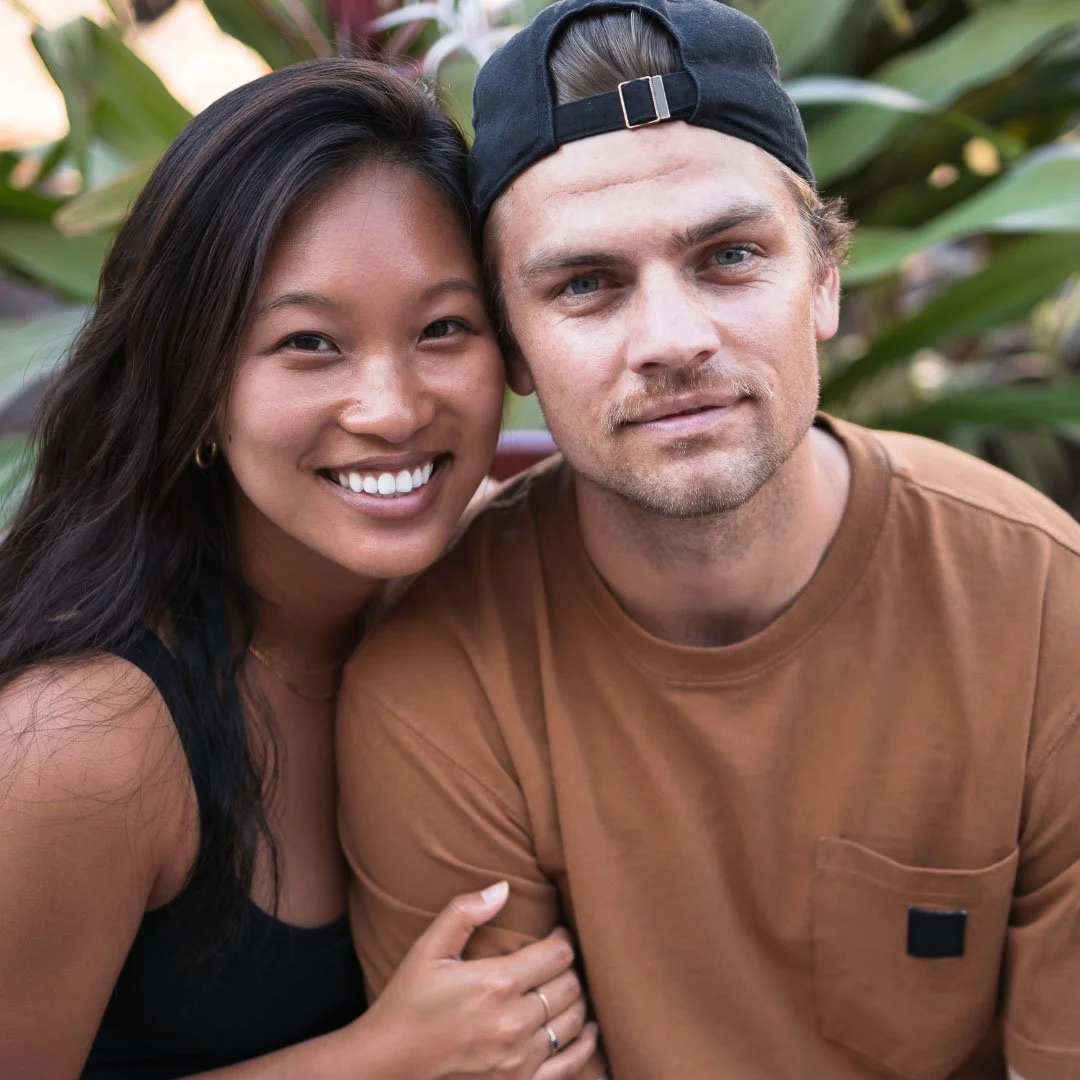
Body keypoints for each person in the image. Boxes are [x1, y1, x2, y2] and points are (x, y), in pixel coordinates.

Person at [336, 2, 1080, 1078]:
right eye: (586, 285)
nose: (674, 341)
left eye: (729, 256)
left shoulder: (1040, 602)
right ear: (516, 349)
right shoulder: (440, 675)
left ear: (823, 278)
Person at [0, 58, 598, 1079]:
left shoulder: (496, 586)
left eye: (443, 328)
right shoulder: (81, 742)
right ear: (196, 387)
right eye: (309, 343)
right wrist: (380, 1061)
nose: (394, 407)